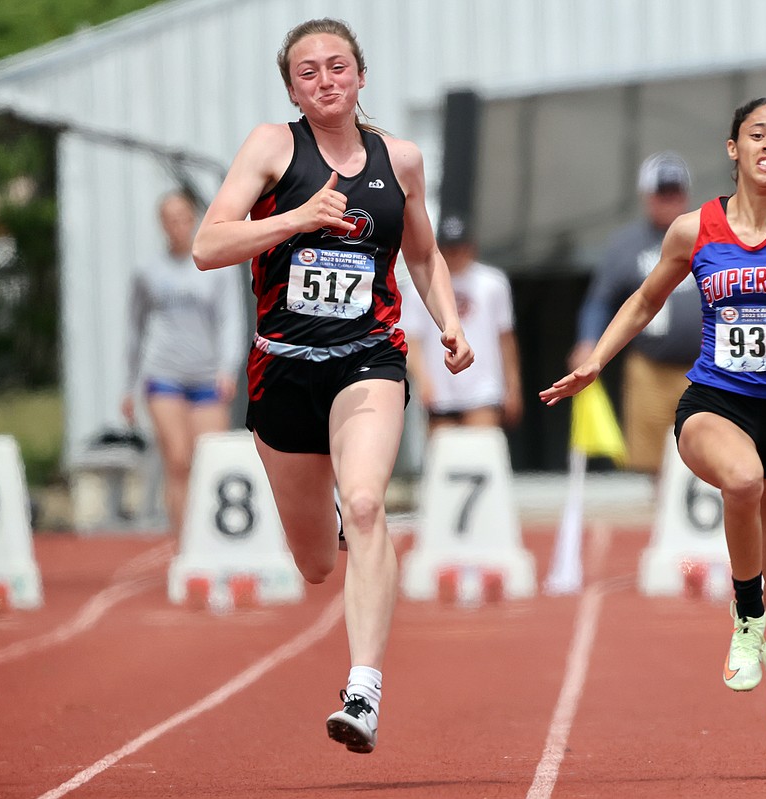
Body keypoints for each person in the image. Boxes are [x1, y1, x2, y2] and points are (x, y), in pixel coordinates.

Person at [191, 18, 473, 755]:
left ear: (360, 76)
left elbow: (425, 255)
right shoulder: (271, 147)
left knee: (371, 500)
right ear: (292, 87)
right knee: (317, 562)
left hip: (367, 359)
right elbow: (207, 244)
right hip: (281, 368)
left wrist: (450, 322)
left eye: (337, 66)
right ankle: (351, 538)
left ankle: (363, 690)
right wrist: (293, 218)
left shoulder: (399, 160)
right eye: (308, 71)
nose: (324, 79)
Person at [543, 98, 766, 747]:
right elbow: (643, 298)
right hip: (716, 400)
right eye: (756, 134)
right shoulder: (694, 228)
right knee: (740, 481)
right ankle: (747, 618)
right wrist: (597, 360)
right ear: (733, 148)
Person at [568, 152, 701, 474]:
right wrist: (588, 342)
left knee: (707, 451)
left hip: (705, 367)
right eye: (662, 193)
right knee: (654, 461)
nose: (669, 201)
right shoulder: (626, 245)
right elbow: (600, 301)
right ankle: (661, 519)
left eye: (675, 192)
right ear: (647, 196)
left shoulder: (708, 234)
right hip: (650, 367)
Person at [121, 190, 244, 536]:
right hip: (164, 374)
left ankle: (214, 538)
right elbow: (135, 330)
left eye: (182, 218)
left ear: (193, 220)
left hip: (206, 374)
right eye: (169, 219)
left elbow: (229, 320)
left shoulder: (215, 265)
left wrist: (227, 368)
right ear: (161, 224)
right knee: (177, 460)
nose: (176, 225)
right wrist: (129, 386)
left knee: (210, 460)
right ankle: (184, 543)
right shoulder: (147, 272)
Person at [402, 213, 522, 434]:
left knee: (480, 451)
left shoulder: (493, 283)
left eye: (460, 248)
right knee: (444, 456)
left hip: (483, 387)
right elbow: (412, 338)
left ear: (471, 247)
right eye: (449, 248)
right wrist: (423, 381)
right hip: (439, 388)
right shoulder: (418, 286)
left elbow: (505, 337)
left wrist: (512, 386)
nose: (455, 255)